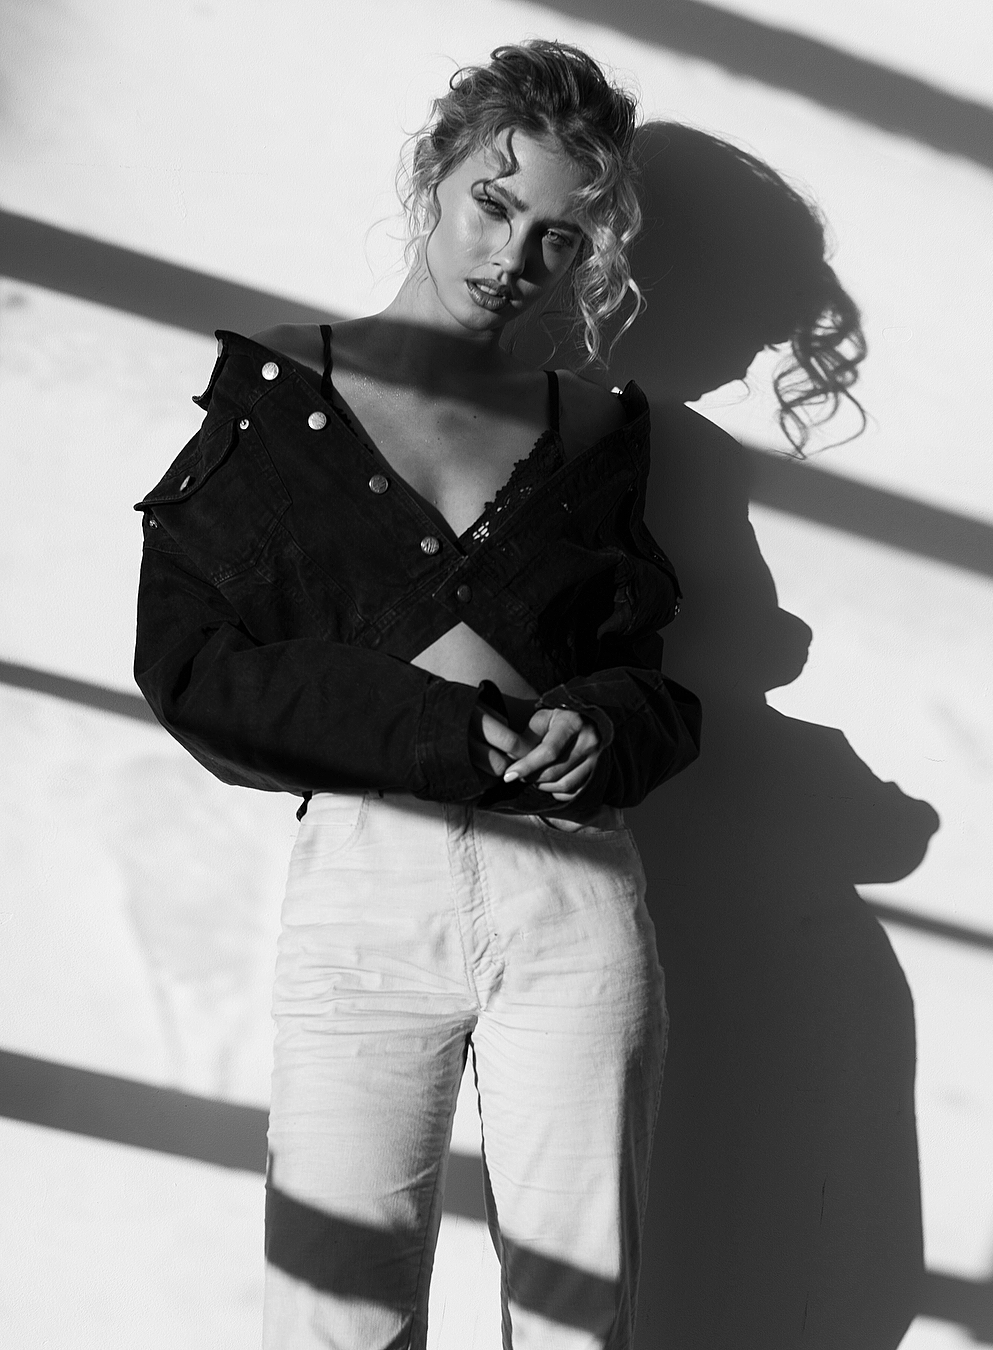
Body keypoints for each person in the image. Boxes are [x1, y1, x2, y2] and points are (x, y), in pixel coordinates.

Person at [133, 40, 701, 1350]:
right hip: (367, 887)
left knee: (577, 1321)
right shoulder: (283, 396)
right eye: (493, 206)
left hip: (572, 895)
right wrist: (438, 729)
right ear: (434, 176)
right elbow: (194, 669)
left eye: (559, 236)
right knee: (334, 1315)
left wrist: (600, 724)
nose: (514, 258)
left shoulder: (597, 430)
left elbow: (651, 679)